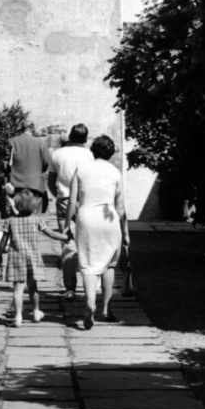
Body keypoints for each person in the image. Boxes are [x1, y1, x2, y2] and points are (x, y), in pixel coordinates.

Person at [63, 134, 129, 330]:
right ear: (110, 153)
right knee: (109, 264)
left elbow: (71, 201)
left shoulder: (81, 170)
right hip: (108, 218)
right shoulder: (115, 172)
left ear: (93, 150)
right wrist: (125, 232)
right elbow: (121, 207)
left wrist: (67, 224)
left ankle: (90, 302)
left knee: (88, 264)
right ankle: (106, 310)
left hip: (86, 218)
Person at [2, 190, 71, 327]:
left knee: (17, 289)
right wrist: (65, 237)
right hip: (32, 258)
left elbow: (3, 241)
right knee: (33, 287)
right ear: (32, 205)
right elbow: (50, 233)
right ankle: (35, 312)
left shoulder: (9, 221)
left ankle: (18, 316)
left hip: (16, 258)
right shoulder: (36, 219)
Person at [48, 123, 93, 298]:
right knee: (87, 242)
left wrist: (59, 194)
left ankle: (69, 288)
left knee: (67, 244)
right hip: (84, 199)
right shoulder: (89, 155)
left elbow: (51, 181)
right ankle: (91, 284)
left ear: (70, 136)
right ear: (85, 138)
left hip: (64, 201)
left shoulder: (57, 154)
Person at [5, 122, 52, 215]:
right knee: (35, 217)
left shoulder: (12, 141)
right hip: (35, 184)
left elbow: (6, 164)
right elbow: (47, 162)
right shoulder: (40, 142)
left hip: (16, 185)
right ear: (33, 128)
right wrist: (39, 170)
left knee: (17, 215)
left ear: (21, 128)